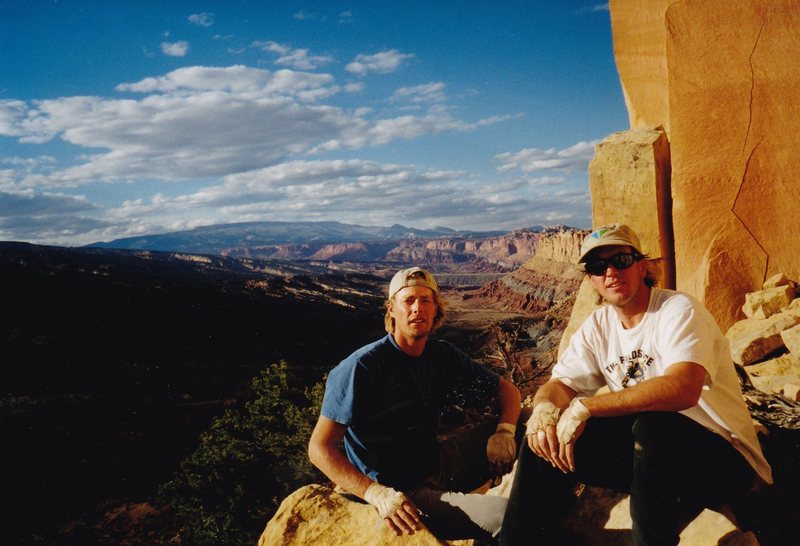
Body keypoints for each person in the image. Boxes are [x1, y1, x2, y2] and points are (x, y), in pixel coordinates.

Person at [499, 224, 772, 546]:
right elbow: (560, 384)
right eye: (598, 267)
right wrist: (545, 410)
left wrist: (586, 406)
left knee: (654, 425)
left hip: (722, 461)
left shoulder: (677, 310)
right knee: (542, 438)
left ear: (643, 266)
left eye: (621, 260)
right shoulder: (598, 326)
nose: (611, 272)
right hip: (654, 464)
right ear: (591, 280)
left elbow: (683, 388)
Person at [308, 266, 522, 540]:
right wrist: (374, 492)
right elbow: (319, 448)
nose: (417, 309)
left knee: (528, 421)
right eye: (408, 301)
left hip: (439, 464)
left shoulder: (440, 354)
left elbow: (507, 391)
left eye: (425, 300)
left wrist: (504, 431)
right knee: (512, 516)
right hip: (404, 494)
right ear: (391, 309)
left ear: (436, 309)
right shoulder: (360, 368)